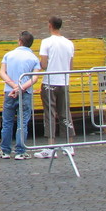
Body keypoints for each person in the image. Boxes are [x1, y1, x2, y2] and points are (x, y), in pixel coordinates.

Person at [35, 16, 75, 159]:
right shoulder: (69, 43)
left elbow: (44, 64)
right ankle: (69, 145)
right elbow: (71, 66)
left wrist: (38, 64)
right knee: (65, 113)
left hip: (50, 82)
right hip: (64, 81)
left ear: (50, 25)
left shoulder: (46, 42)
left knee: (50, 114)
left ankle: (50, 147)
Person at [0, 32, 40, 160]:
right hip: (25, 92)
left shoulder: (8, 55)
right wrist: (20, 88)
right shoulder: (34, 58)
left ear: (19, 41)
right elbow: (35, 78)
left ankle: (5, 151)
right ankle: (20, 151)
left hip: (9, 91)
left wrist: (13, 86)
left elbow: (2, 73)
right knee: (22, 123)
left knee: (7, 122)